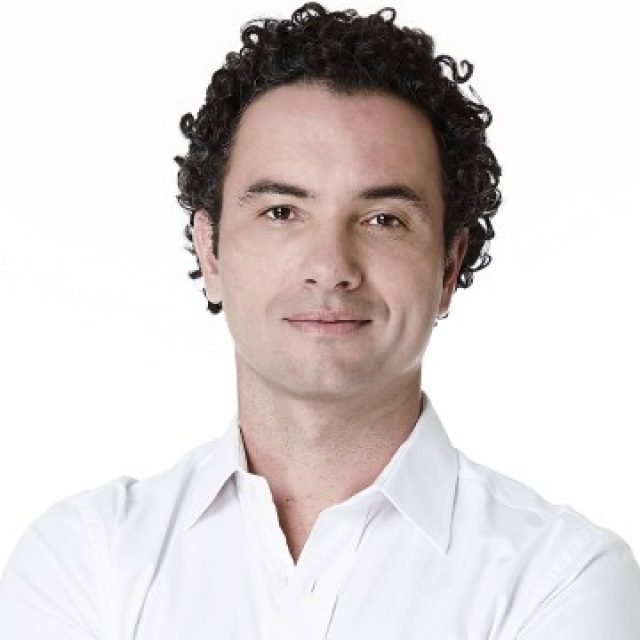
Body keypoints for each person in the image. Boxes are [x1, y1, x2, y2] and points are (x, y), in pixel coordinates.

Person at [0, 3, 638, 638]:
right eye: (281, 212)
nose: (331, 268)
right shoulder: (84, 560)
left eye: (384, 219)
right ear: (210, 251)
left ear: (449, 266)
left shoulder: (560, 578)